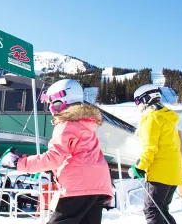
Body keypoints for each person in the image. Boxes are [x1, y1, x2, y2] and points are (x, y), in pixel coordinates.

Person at [16, 79, 113, 224]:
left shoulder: (66, 124)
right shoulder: (86, 123)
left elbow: (54, 157)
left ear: (60, 101)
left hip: (80, 184)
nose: (50, 108)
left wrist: (20, 163)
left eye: (51, 102)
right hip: (99, 185)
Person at [128, 84, 182, 224]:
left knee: (152, 210)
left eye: (137, 101)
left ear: (146, 99)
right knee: (161, 210)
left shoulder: (151, 118)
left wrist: (139, 167)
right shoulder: (167, 118)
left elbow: (150, 147)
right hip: (173, 173)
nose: (137, 106)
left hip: (159, 173)